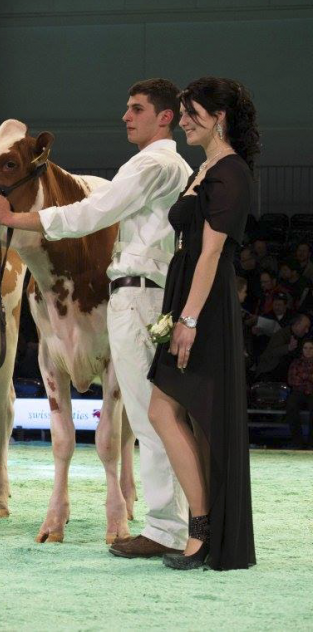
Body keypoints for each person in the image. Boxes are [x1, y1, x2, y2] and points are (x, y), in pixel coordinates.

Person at [0, 78, 192, 558]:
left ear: (164, 117)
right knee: (152, 415)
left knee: (149, 417)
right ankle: (170, 523)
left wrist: (18, 219)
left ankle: (167, 527)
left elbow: (96, 211)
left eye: (136, 109)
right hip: (142, 290)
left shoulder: (154, 163)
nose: (126, 116)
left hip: (140, 293)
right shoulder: (170, 164)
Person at [147, 76, 259, 570]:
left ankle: (202, 529)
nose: (184, 120)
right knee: (180, 413)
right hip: (187, 299)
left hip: (204, 308)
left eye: (192, 113)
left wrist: (188, 318)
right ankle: (205, 527)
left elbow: (212, 252)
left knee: (166, 411)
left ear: (220, 118)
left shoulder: (229, 172)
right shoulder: (207, 168)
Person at [285, 338, 313, 448]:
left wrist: (302, 376)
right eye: (306, 348)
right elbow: (292, 380)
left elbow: (298, 377)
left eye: (311, 348)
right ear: (302, 349)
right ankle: (298, 442)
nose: (308, 350)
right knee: (291, 405)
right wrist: (309, 377)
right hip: (299, 391)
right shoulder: (296, 363)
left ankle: (312, 443)